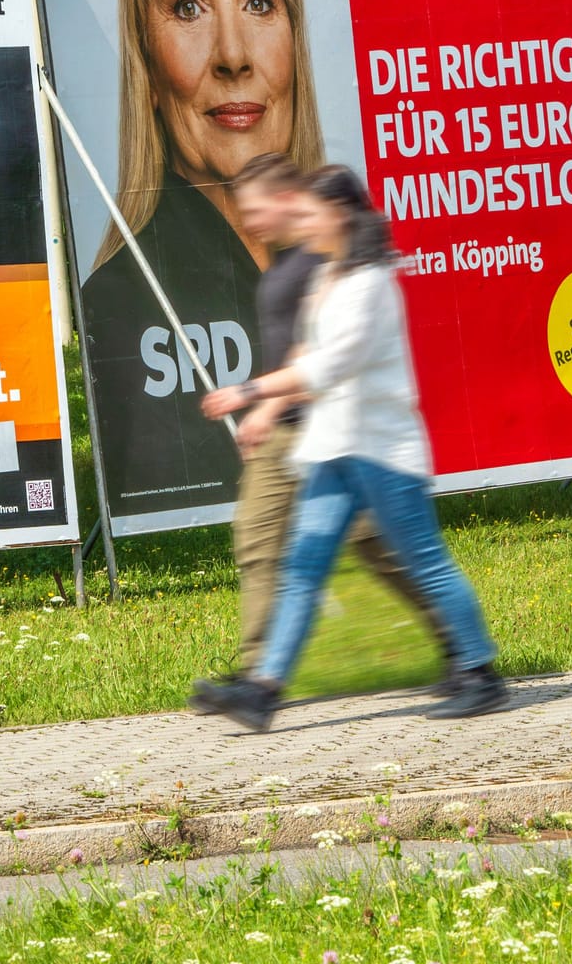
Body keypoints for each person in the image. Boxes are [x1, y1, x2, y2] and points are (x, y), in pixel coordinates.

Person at [193, 165, 507, 731]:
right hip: (332, 450)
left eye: (311, 212)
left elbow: (330, 364)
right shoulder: (329, 277)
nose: (301, 222)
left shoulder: (370, 284)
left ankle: (480, 672)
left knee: (426, 563)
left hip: (381, 452)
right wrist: (266, 405)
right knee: (302, 568)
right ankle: (262, 693)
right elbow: (309, 360)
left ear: (338, 215)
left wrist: (248, 391)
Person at [80, 0, 326, 523]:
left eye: (258, 2)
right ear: (146, 60)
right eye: (188, 6)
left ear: (295, 36)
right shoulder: (122, 300)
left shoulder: (350, 256)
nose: (232, 55)